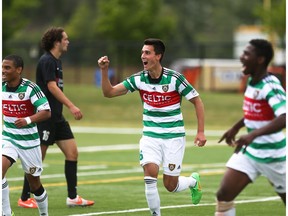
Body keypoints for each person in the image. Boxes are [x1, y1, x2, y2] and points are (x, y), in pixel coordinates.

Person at [98, 38, 207, 216]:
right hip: (150, 136)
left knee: (170, 186)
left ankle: (193, 182)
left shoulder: (174, 79)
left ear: (158, 56)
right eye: (142, 53)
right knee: (150, 177)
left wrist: (200, 132)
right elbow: (108, 93)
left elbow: (197, 101)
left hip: (174, 137)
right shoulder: (138, 79)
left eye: (147, 53)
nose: (143, 56)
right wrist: (104, 71)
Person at [18, 27, 94, 208]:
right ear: (56, 42)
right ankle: (24, 198)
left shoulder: (57, 61)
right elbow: (52, 87)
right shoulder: (47, 61)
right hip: (45, 117)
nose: (68, 42)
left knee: (72, 153)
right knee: (36, 158)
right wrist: (72, 106)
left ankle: (72, 197)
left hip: (57, 118)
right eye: (65, 39)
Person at [215, 39, 286, 216]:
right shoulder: (252, 81)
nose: (241, 57)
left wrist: (253, 135)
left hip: (273, 156)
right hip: (251, 152)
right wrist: (236, 127)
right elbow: (254, 112)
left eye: (247, 54)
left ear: (260, 59)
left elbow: (284, 116)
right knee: (224, 195)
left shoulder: (270, 85)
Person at [2, 54, 51, 216]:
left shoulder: (30, 88)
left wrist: (28, 119)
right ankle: (6, 213)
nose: (3, 70)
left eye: (7, 67)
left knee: (34, 183)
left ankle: (44, 214)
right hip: (8, 137)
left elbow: (46, 112)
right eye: (2, 67)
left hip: (29, 143)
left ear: (19, 70)